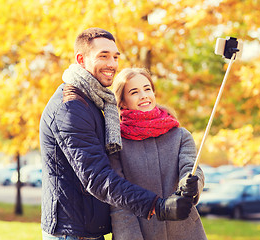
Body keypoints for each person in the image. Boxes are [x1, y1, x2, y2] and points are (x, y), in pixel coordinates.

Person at [39, 28, 198, 240]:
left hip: (86, 228)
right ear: (81, 59)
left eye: (115, 57)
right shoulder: (71, 107)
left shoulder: (93, 100)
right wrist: (157, 206)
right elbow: (97, 177)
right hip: (72, 231)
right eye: (103, 56)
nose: (112, 64)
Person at [110, 67, 207, 240]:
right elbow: (118, 202)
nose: (144, 95)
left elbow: (191, 168)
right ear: (122, 102)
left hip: (186, 232)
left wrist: (191, 183)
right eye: (134, 92)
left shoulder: (180, 135)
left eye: (147, 89)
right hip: (141, 232)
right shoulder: (117, 143)